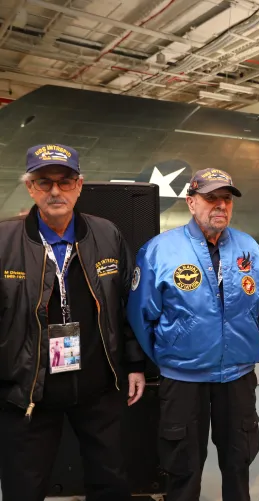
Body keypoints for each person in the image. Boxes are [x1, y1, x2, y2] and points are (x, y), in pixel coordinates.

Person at [0, 144, 147, 501]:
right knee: (24, 486)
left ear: (79, 186)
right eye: (43, 182)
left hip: (98, 386)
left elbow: (127, 305)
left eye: (65, 182)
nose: (55, 191)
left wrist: (134, 365)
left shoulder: (107, 234)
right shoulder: (3, 242)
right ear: (31, 188)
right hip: (28, 391)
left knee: (111, 479)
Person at [127, 168, 259, 501]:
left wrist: (236, 344)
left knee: (239, 459)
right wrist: (173, 352)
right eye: (211, 198)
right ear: (191, 203)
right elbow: (140, 316)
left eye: (226, 199)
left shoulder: (248, 247)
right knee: (183, 465)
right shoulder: (159, 251)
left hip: (236, 375)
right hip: (183, 377)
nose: (220, 205)